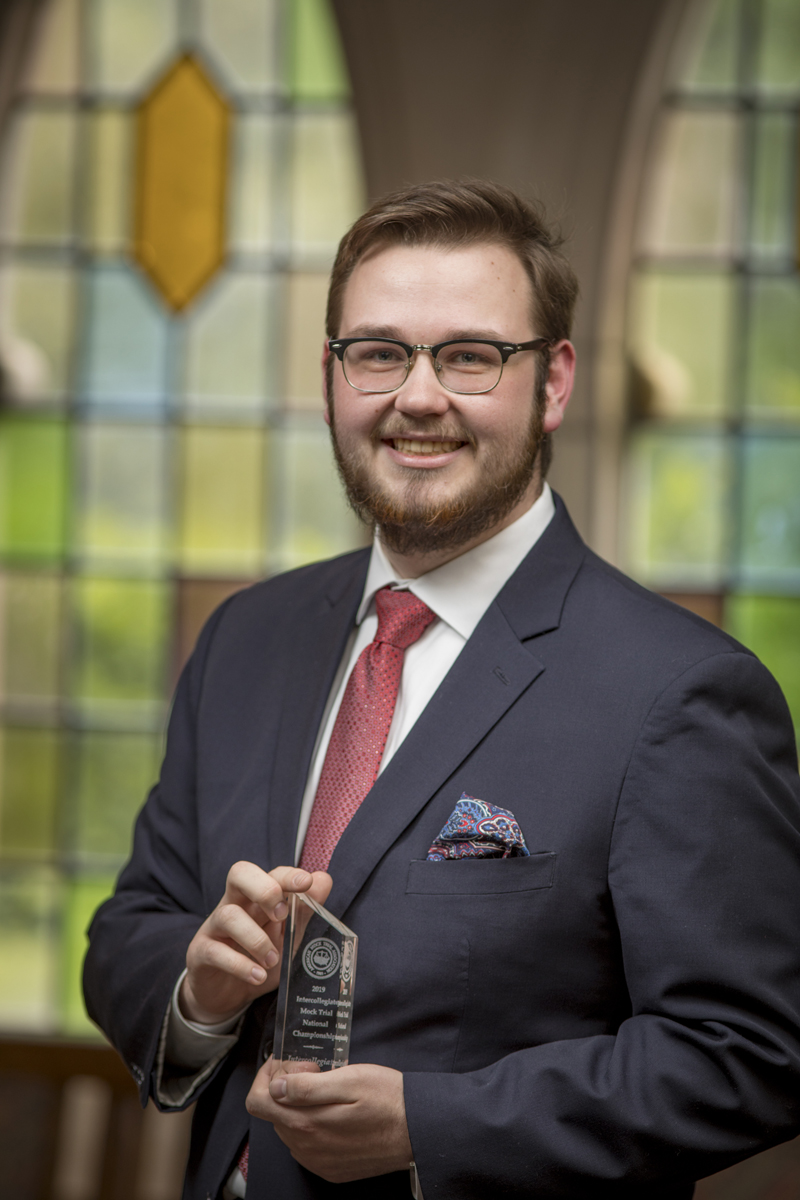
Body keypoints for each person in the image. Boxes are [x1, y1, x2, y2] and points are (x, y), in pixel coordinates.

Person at [84, 180, 800, 1200]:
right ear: (332, 376)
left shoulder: (680, 693)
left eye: (468, 355)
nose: (416, 396)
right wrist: (198, 989)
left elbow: (747, 1055)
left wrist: (433, 1125)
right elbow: (128, 927)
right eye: (377, 352)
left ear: (551, 381)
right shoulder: (246, 640)